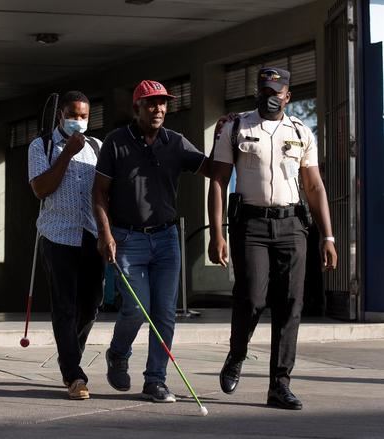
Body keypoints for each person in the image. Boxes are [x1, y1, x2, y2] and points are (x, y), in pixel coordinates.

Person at [208, 67, 337, 410]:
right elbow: (218, 181)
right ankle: (237, 354)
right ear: (257, 92)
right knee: (251, 298)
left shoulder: (300, 131)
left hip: (292, 226)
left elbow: (314, 186)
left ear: (288, 97)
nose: (270, 97)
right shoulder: (235, 127)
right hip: (250, 226)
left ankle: (280, 385)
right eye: (265, 91)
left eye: (277, 92)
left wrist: (328, 236)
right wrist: (217, 232)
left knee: (291, 304)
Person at [93, 80, 212, 403]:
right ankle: (118, 353)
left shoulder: (176, 142)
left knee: (164, 314)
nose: (158, 109)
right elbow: (99, 193)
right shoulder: (116, 142)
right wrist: (105, 234)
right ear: (137, 108)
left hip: (167, 239)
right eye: (150, 103)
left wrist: (226, 136)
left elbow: (213, 169)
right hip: (127, 237)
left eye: (162, 103)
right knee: (135, 308)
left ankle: (155, 380)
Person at [27, 90, 104, 400]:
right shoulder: (41, 145)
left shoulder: (97, 147)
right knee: (65, 306)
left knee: (91, 304)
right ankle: (73, 374)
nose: (79, 121)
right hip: (58, 235)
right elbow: (41, 189)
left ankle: (69, 355)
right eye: (73, 114)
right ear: (60, 115)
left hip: (91, 234)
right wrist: (67, 153)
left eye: (84, 116)